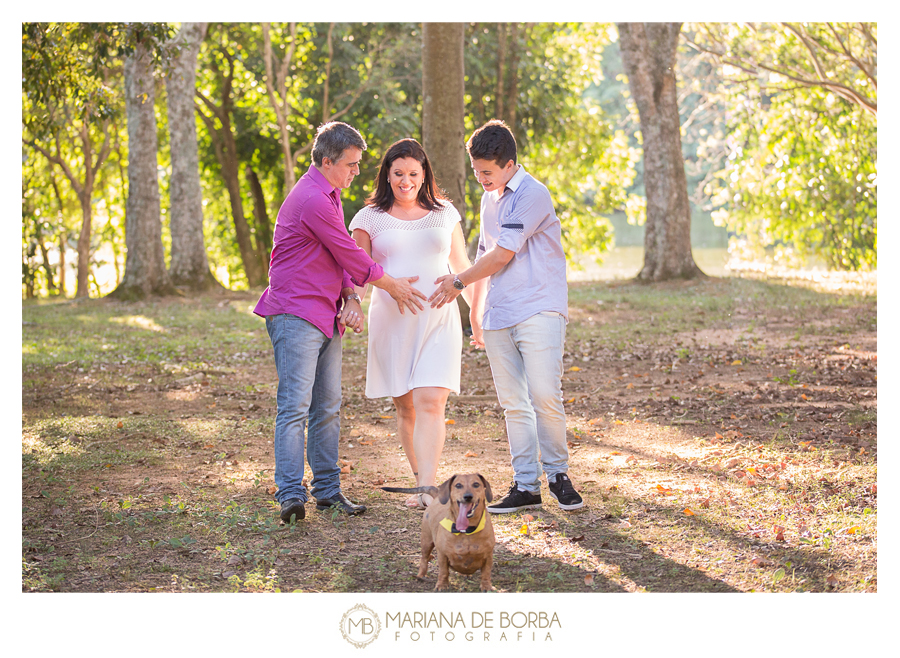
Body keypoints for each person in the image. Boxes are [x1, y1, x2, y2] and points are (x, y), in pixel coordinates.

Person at [254, 121, 427, 522]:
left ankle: (328, 493)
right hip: (295, 313)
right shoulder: (312, 198)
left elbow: (339, 255)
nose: (355, 172)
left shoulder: (329, 194)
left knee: (327, 407)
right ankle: (291, 495)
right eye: (350, 165)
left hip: (324, 313)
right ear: (327, 161)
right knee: (295, 407)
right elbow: (351, 255)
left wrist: (350, 295)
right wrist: (392, 286)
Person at [429, 119, 584, 513]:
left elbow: (504, 255)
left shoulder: (533, 194)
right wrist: (477, 314)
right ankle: (526, 485)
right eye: (476, 170)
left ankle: (558, 476)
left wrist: (458, 282)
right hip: (501, 312)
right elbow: (485, 255)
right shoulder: (489, 199)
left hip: (538, 307)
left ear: (509, 163)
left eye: (487, 171)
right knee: (514, 403)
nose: (481, 178)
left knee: (545, 394)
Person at [349, 138, 474, 509]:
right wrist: (352, 302)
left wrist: (478, 314)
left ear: (424, 175)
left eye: (413, 174)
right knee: (407, 407)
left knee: (431, 401)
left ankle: (430, 488)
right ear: (387, 175)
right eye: (398, 173)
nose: (406, 181)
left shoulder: (444, 213)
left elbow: (464, 265)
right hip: (393, 321)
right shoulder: (368, 218)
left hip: (439, 319)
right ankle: (422, 481)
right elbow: (356, 271)